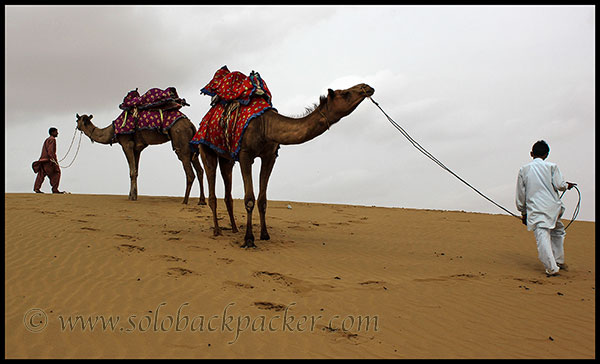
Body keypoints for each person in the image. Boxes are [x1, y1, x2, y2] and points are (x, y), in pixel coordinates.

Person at [516, 140, 576, 276]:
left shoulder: (524, 169)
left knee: (543, 235)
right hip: (553, 207)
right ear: (546, 154)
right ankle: (558, 260)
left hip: (536, 208)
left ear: (531, 153)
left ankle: (552, 267)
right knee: (558, 231)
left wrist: (523, 211)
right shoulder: (552, 166)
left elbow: (521, 193)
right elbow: (560, 185)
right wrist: (567, 185)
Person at [32, 127, 64, 194]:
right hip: (49, 161)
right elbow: (50, 151)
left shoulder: (47, 139)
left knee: (41, 174)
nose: (57, 133)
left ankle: (36, 188)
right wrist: (53, 161)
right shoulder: (52, 140)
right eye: (56, 132)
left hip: (43, 160)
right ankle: (55, 189)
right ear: (52, 132)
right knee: (56, 173)